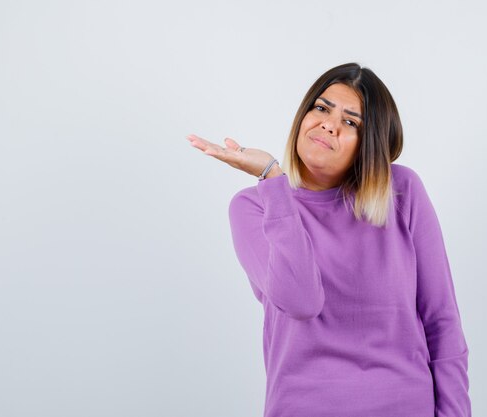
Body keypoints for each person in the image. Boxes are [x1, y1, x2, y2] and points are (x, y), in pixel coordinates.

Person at [185, 62, 471, 417]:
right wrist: (273, 180)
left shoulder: (402, 192)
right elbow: (301, 300)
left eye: (351, 122)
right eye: (321, 108)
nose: (329, 125)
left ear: (370, 143)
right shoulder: (254, 208)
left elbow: (441, 321)